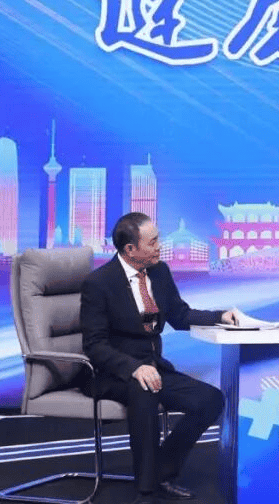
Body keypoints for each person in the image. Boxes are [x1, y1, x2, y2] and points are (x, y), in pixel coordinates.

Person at [80, 212, 238, 504]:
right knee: (144, 390)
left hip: (154, 367)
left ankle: (161, 471)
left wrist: (220, 316)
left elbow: (179, 315)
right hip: (113, 373)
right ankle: (146, 493)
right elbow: (94, 345)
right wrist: (134, 368)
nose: (159, 246)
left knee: (210, 400)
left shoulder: (159, 272)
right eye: (152, 242)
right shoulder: (99, 283)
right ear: (130, 249)